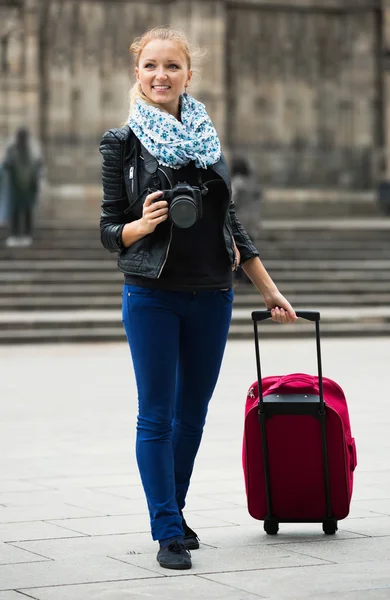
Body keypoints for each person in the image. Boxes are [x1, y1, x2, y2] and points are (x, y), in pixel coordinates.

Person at [99, 27, 296, 571]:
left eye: (172, 66)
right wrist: (139, 226)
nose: (160, 75)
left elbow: (231, 223)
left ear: (189, 74)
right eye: (150, 66)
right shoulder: (121, 144)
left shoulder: (210, 145)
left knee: (193, 415)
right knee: (156, 416)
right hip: (152, 295)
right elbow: (108, 229)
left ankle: (176, 510)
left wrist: (270, 290)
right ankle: (166, 529)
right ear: (137, 73)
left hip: (212, 294)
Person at [2, 127, 42, 247]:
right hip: (16, 188)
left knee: (27, 211)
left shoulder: (32, 151)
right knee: (15, 211)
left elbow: (38, 166)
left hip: (28, 188)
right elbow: (6, 165)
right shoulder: (12, 150)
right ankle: (15, 234)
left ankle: (26, 234)